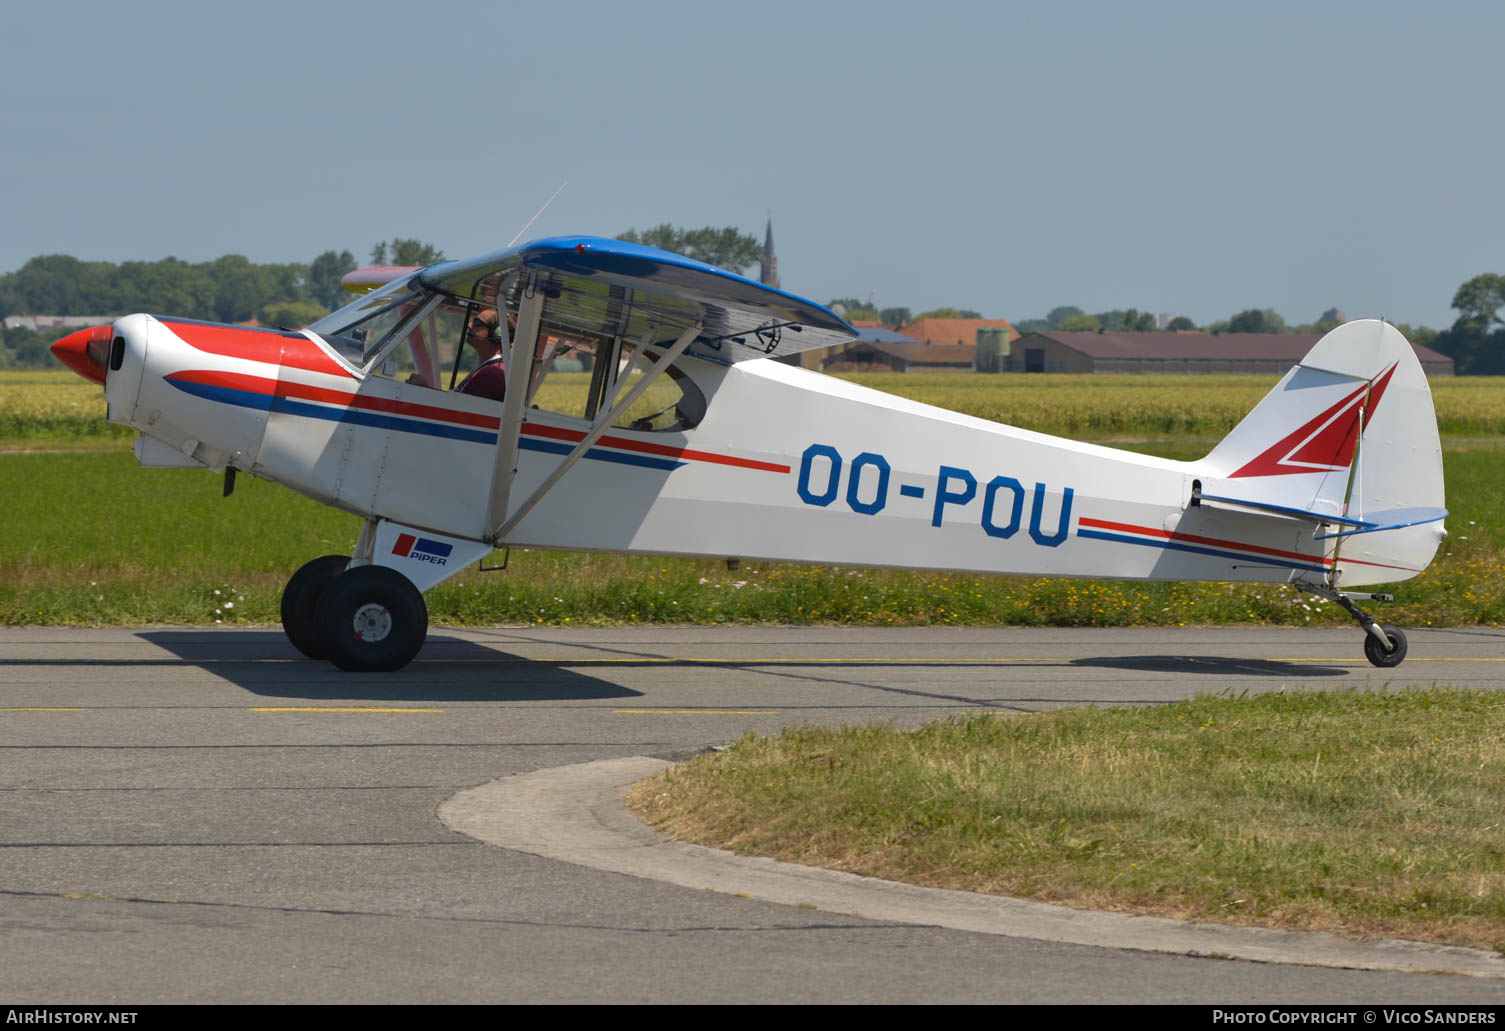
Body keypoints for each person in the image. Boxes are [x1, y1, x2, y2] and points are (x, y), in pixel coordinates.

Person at [456, 309, 507, 402]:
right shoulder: (490, 369)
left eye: (477, 322)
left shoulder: (493, 374)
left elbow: (464, 409)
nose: (470, 325)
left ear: (497, 333)